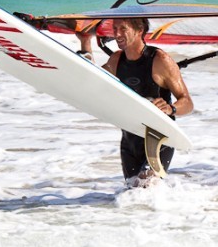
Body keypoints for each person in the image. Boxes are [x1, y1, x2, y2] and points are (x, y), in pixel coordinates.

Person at [83, 18, 193, 185]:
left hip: (157, 139)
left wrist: (171, 108)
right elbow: (90, 80)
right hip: (129, 141)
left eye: (123, 28)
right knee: (132, 199)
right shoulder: (116, 60)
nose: (116, 34)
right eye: (114, 28)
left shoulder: (159, 60)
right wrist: (85, 42)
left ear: (139, 30)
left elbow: (187, 103)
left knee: (146, 188)